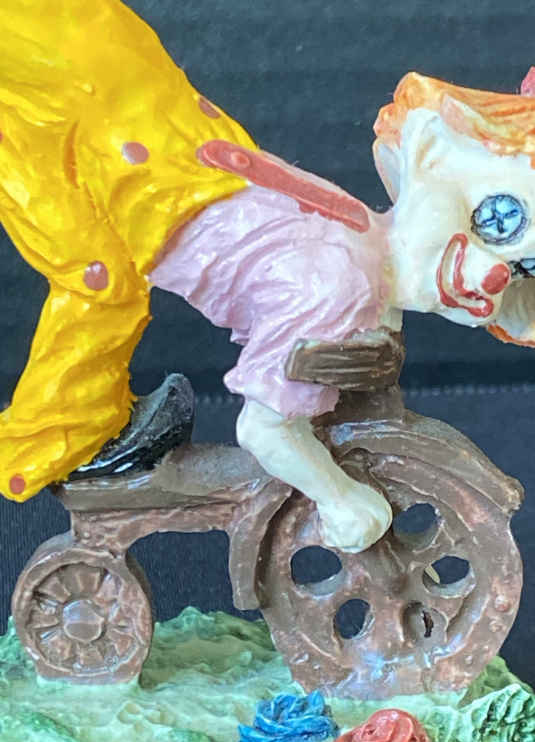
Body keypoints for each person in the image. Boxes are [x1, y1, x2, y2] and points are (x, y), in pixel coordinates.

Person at [1, 0, 535, 555]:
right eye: (499, 219)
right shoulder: (342, 289)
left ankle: (74, 427)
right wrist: (339, 499)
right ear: (433, 159)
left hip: (142, 114)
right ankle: (54, 436)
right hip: (109, 135)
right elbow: (263, 429)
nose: (495, 276)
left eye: (526, 269)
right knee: (96, 286)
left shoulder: (362, 268)